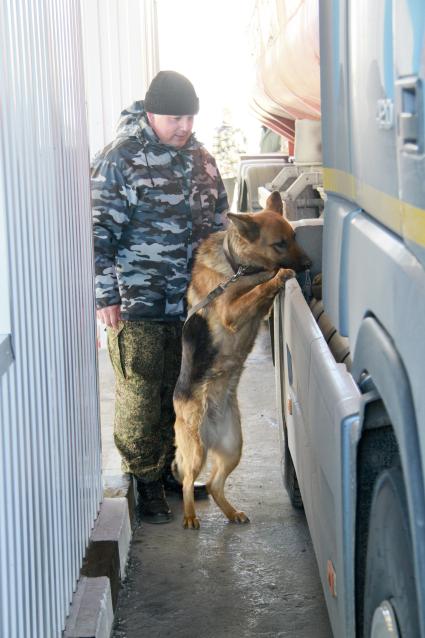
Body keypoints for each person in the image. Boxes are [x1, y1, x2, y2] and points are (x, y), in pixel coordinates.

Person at [91, 71, 229, 524]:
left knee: (182, 391)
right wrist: (106, 296)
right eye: (174, 118)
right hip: (139, 304)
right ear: (150, 113)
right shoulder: (121, 160)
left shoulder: (204, 162)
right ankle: (146, 481)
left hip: (190, 307)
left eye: (189, 117)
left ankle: (174, 471)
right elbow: (97, 234)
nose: (184, 126)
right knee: (142, 394)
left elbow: (222, 231)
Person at [211, 108, 246, 208]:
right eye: (227, 114)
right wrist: (227, 160)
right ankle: (226, 220)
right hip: (227, 172)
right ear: (223, 116)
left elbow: (244, 148)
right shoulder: (218, 132)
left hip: (239, 170)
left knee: (242, 198)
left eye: (230, 114)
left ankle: (242, 219)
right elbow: (215, 152)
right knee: (228, 198)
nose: (229, 116)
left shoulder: (239, 130)